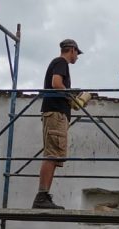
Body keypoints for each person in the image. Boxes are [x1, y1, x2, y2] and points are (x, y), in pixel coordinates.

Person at [32, 39, 82, 210]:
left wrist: (69, 97)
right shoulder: (61, 62)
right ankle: (41, 197)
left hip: (56, 113)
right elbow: (56, 83)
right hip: (56, 114)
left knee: (54, 156)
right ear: (72, 50)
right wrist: (71, 95)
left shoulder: (58, 63)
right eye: (77, 53)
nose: (77, 57)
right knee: (52, 155)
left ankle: (44, 196)